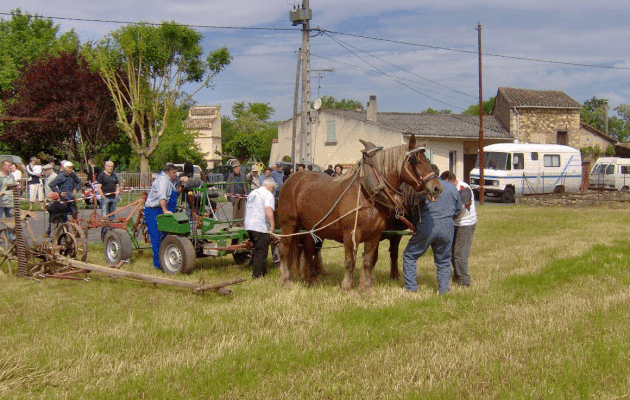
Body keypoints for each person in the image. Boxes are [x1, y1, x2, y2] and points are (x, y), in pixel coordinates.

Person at [402, 165, 462, 295]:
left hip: (427, 226)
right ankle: (444, 291)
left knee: (410, 255)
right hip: (447, 227)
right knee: (444, 260)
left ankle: (411, 288)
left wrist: (415, 225)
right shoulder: (452, 188)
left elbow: (415, 210)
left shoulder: (423, 190)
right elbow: (458, 210)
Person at [441, 171, 477, 287]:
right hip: (454, 224)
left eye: (445, 184)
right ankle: (457, 276)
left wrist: (446, 217)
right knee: (451, 252)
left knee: (460, 253)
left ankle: (465, 281)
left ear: (452, 181)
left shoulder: (463, 189)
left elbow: (460, 211)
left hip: (465, 224)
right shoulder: (448, 189)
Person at [144, 163, 181, 270]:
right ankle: (158, 265)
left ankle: (164, 262)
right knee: (156, 237)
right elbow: (162, 197)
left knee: (164, 237)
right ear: (167, 172)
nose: (175, 175)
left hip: (160, 210)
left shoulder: (170, 181)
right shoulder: (163, 180)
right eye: (174, 173)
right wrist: (165, 210)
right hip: (153, 211)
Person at [244, 178, 277, 278]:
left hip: (249, 225)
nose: (273, 192)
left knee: (259, 249)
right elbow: (268, 210)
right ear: (270, 187)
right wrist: (272, 225)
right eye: (273, 190)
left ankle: (262, 272)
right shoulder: (268, 195)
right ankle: (257, 275)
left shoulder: (253, 193)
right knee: (261, 251)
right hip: (259, 225)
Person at [226, 161, 247, 227]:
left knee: (241, 210)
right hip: (234, 196)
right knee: (235, 210)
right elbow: (228, 187)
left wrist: (245, 194)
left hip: (242, 195)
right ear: (233, 169)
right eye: (235, 168)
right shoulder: (231, 176)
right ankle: (234, 223)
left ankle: (241, 223)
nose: (236, 169)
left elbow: (246, 185)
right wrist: (228, 196)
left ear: (239, 168)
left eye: (237, 167)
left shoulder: (243, 175)